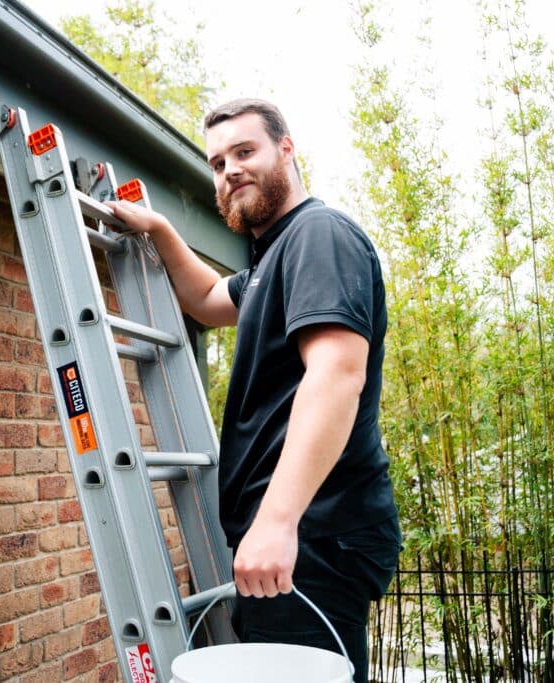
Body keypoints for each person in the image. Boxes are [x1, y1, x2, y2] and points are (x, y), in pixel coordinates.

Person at [106, 98, 400, 682]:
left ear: (286, 150)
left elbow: (337, 374)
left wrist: (276, 521)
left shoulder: (320, 235)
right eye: (218, 163)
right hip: (303, 534)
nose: (230, 170)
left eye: (245, 152)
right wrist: (162, 229)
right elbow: (209, 300)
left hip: (315, 533)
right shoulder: (274, 257)